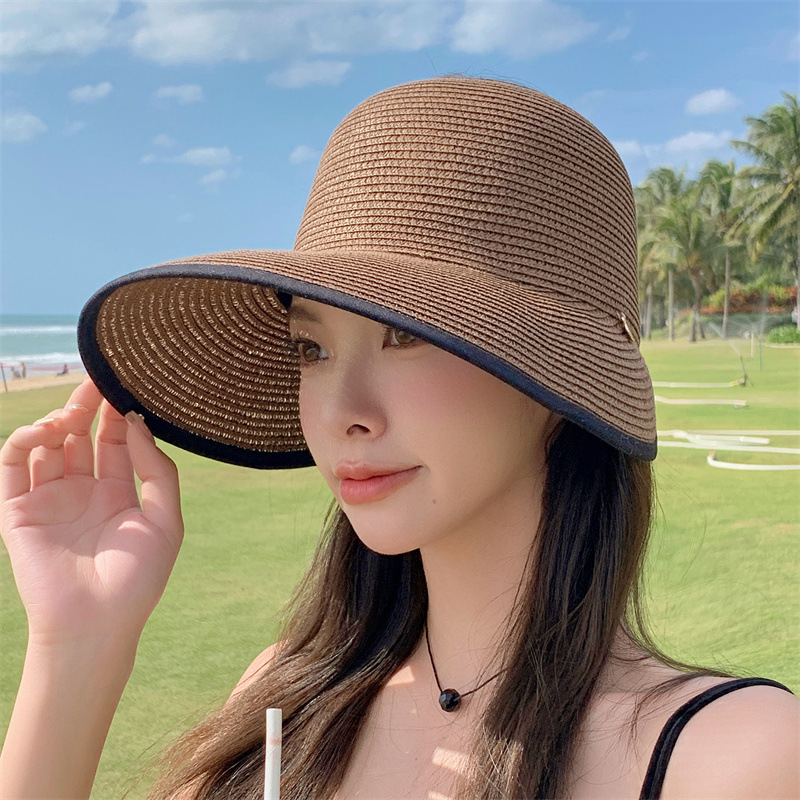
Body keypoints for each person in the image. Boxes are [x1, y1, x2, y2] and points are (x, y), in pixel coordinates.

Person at [1, 76, 797, 800]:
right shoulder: (286, 699)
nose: (341, 413)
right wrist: (79, 641)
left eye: (406, 336)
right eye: (311, 348)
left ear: (559, 380)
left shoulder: (730, 759)